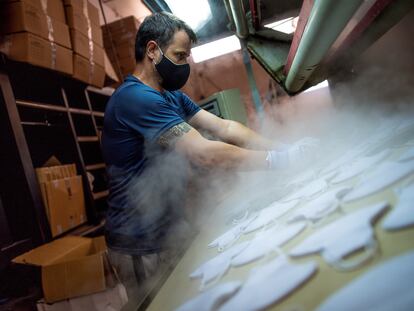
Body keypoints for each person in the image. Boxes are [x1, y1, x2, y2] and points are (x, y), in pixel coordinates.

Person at [101, 12, 317, 309]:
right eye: (179, 55)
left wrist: (285, 147)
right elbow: (204, 152)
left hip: (171, 226)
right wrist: (278, 161)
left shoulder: (171, 96)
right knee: (159, 303)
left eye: (187, 56)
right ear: (152, 50)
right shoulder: (134, 99)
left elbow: (226, 128)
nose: (185, 64)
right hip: (139, 242)